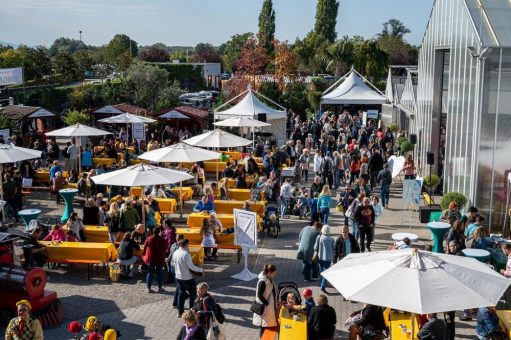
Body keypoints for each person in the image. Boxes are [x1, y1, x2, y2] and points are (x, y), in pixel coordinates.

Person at [174, 239, 204, 318]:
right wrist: (200, 270)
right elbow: (191, 266)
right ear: (186, 244)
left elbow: (174, 264)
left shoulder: (175, 252)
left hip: (178, 277)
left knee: (181, 294)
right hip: (187, 278)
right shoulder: (186, 254)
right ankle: (192, 312)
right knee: (193, 295)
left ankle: (180, 312)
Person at [253, 264, 278, 338]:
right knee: (263, 326)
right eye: (274, 273)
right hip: (264, 309)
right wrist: (267, 304)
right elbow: (259, 295)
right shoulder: (263, 281)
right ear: (269, 272)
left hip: (269, 308)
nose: (275, 275)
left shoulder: (268, 279)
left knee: (266, 325)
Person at [143, 227, 166, 293]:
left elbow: (144, 247)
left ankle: (148, 288)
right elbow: (165, 248)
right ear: (159, 232)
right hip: (159, 258)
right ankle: (160, 288)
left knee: (150, 272)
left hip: (151, 258)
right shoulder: (162, 239)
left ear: (153, 232)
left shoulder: (149, 238)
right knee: (159, 273)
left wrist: (144, 254)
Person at [314, 224, 335, 293]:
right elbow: (334, 249)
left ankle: (321, 283)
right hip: (328, 258)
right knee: (326, 272)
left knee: (322, 271)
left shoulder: (319, 237)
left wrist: (315, 253)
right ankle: (323, 285)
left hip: (320, 257)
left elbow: (315, 247)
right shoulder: (332, 239)